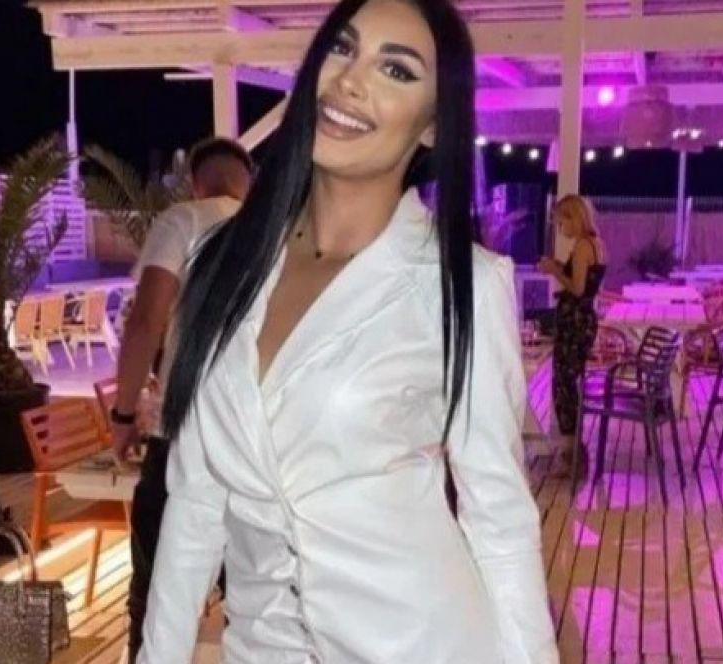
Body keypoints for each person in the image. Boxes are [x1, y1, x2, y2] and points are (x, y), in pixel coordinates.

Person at [139, 0, 558, 661]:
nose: (352, 80)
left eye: (397, 69)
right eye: (342, 48)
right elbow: (195, 498)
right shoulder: (220, 261)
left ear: (433, 124)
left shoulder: (464, 285)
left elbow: (499, 519)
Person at [110, 137, 252, 661]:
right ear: (248, 183)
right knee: (258, 606)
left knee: (156, 599)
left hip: (182, 436)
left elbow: (146, 319)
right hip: (257, 445)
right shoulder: (277, 229)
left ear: (196, 183)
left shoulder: (183, 220)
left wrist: (123, 413)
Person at [538, 194, 607, 477]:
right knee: (568, 382)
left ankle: (571, 454)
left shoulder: (581, 247)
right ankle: (574, 451)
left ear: (573, 218)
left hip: (574, 322)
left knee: (564, 384)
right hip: (584, 320)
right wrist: (559, 266)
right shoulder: (597, 244)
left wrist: (555, 271)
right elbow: (587, 283)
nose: (560, 228)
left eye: (561, 222)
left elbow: (578, 288)